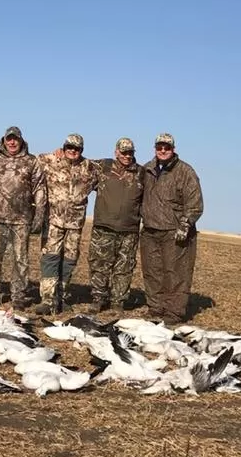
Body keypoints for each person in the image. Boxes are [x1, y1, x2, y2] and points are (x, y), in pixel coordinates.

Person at [140, 133, 203, 323]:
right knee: (153, 271)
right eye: (160, 147)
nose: (163, 150)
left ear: (173, 149)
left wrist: (185, 225)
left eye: (167, 147)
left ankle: (174, 312)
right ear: (155, 148)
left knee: (176, 272)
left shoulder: (185, 172)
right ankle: (156, 307)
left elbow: (195, 203)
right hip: (150, 230)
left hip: (174, 232)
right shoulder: (147, 169)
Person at [0, 126, 46, 309]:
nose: (12, 142)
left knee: (20, 259)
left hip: (21, 220)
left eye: (15, 139)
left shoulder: (31, 162)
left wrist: (39, 215)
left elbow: (39, 188)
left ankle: (18, 295)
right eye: (9, 139)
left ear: (21, 141)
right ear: (3, 140)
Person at [35, 134, 101, 315]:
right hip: (53, 221)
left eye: (77, 148)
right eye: (69, 147)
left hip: (75, 224)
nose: (72, 151)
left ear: (82, 150)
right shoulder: (48, 160)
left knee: (70, 260)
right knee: (50, 258)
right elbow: (25, 161)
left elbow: (113, 168)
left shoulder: (90, 168)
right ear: (63, 147)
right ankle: (48, 299)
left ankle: (62, 297)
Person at [86, 138, 144, 313]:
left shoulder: (142, 173)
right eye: (124, 152)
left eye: (130, 152)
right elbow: (79, 162)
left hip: (129, 230)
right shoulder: (102, 166)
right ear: (116, 152)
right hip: (103, 227)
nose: (127, 156)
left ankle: (118, 302)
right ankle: (98, 299)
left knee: (124, 268)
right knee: (99, 265)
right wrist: (60, 152)